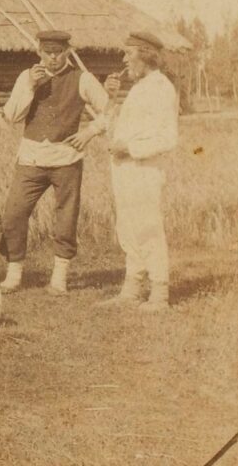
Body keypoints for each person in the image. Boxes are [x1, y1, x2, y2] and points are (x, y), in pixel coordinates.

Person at [0, 30, 110, 295]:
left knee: (66, 217)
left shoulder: (83, 79)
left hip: (66, 159)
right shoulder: (26, 77)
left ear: (67, 52)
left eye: (58, 52)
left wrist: (89, 132)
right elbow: (12, 116)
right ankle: (14, 274)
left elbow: (110, 110)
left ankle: (59, 277)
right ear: (39, 52)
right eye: (47, 52)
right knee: (13, 214)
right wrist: (30, 86)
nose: (53, 58)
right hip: (31, 158)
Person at [97, 32, 179, 312]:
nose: (124, 59)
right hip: (125, 171)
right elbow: (113, 128)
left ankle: (159, 294)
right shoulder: (138, 88)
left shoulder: (161, 88)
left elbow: (167, 138)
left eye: (128, 53)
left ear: (146, 55)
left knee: (148, 228)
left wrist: (130, 148)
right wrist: (110, 98)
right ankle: (131, 290)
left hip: (145, 170)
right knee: (129, 228)